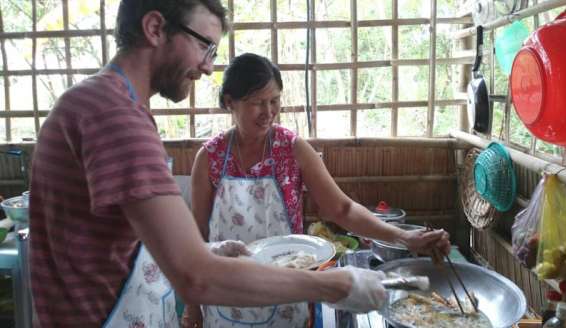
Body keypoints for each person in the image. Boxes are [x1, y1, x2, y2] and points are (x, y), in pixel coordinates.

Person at [28, 1, 390, 327]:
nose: (207, 66)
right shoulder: (115, 117)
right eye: (204, 45)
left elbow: (122, 242)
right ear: (155, 28)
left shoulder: (94, 103)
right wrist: (333, 285)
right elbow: (196, 278)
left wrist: (209, 251)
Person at [187, 53, 452, 327]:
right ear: (230, 102)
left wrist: (404, 237)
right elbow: (196, 239)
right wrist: (192, 307)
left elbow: (342, 209)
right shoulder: (210, 158)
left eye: (275, 100)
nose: (269, 112)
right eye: (258, 103)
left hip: (288, 294)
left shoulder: (291, 149)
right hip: (229, 298)